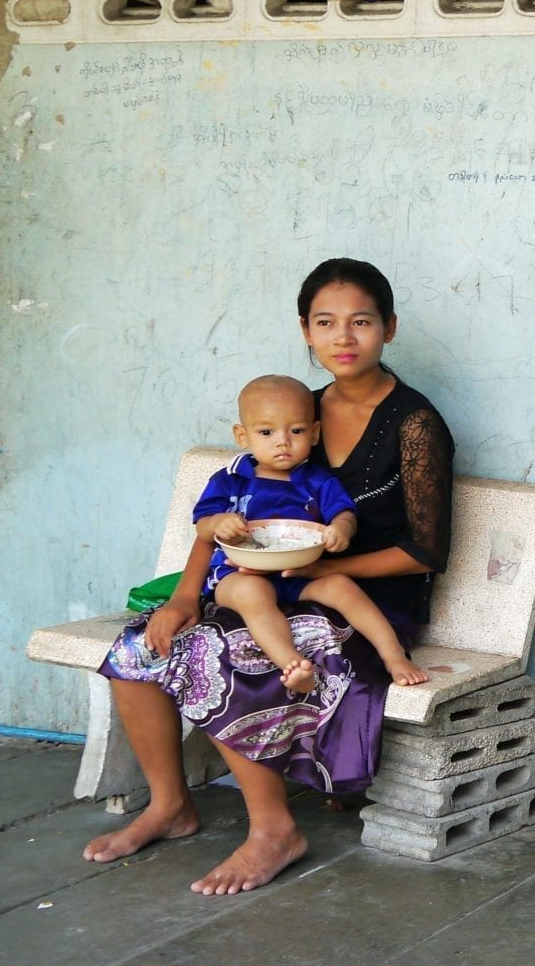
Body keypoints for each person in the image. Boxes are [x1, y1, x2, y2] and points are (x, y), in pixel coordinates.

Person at [84, 258, 454, 896]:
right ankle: (169, 805)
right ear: (306, 331)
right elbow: (225, 518)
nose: (344, 337)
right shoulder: (288, 409)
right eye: (326, 322)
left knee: (236, 647)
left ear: (389, 329)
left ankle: (273, 830)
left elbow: (424, 551)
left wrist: (326, 564)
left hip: (362, 599)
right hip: (269, 586)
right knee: (145, 645)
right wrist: (181, 598)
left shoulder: (415, 423)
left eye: (361, 322)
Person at [197, 373, 429, 693]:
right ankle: (292, 665)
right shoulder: (230, 479)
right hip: (239, 573)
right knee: (253, 594)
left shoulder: (317, 480)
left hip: (300, 572)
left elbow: (343, 513)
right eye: (266, 432)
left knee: (341, 587)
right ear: (242, 435)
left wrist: (341, 530)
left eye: (297, 430)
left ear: (315, 433)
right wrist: (219, 522)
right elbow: (203, 525)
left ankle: (393, 656)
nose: (283, 441)